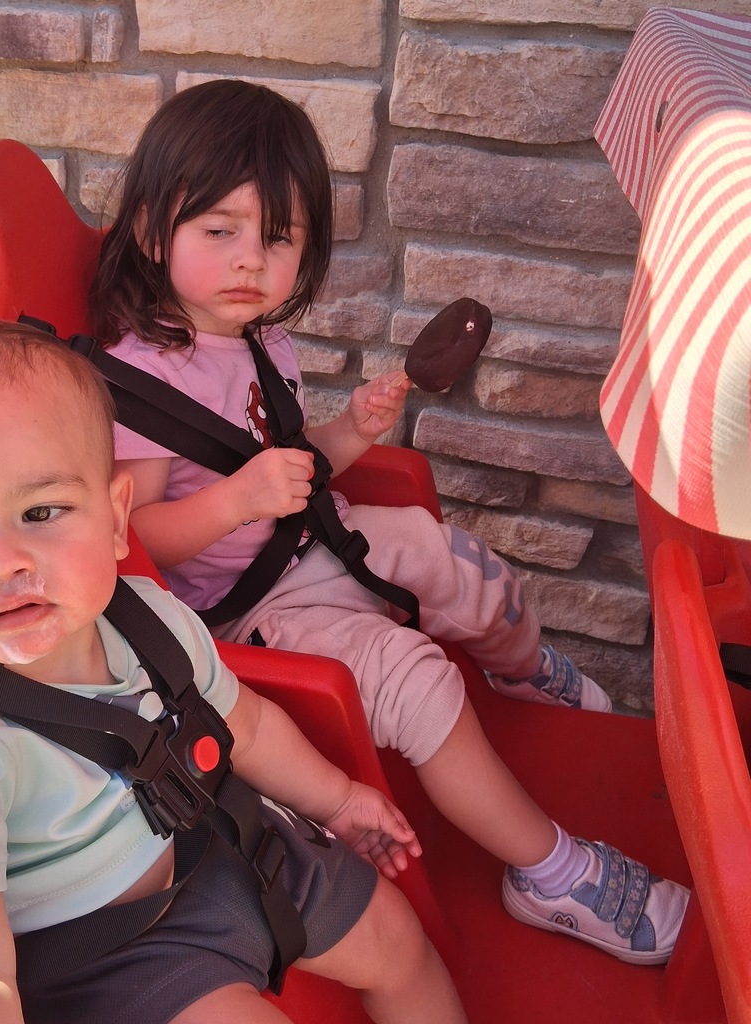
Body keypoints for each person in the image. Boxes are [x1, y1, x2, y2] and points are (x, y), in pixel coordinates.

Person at [91, 78, 690, 965]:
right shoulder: (145, 379)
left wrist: (352, 431)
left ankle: (526, 675)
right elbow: (136, 546)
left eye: (278, 237)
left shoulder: (262, 339)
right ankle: (551, 874)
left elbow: (296, 467)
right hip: (242, 617)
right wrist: (240, 501)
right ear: (152, 231)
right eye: (220, 232)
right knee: (415, 677)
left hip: (310, 544)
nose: (251, 261)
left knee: (461, 564)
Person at [0, 319, 467, 1024]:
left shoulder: (146, 617)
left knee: (399, 941)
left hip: (222, 839)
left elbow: (244, 725)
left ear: (113, 518)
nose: (0, 563)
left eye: (40, 510)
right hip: (110, 959)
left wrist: (339, 800)